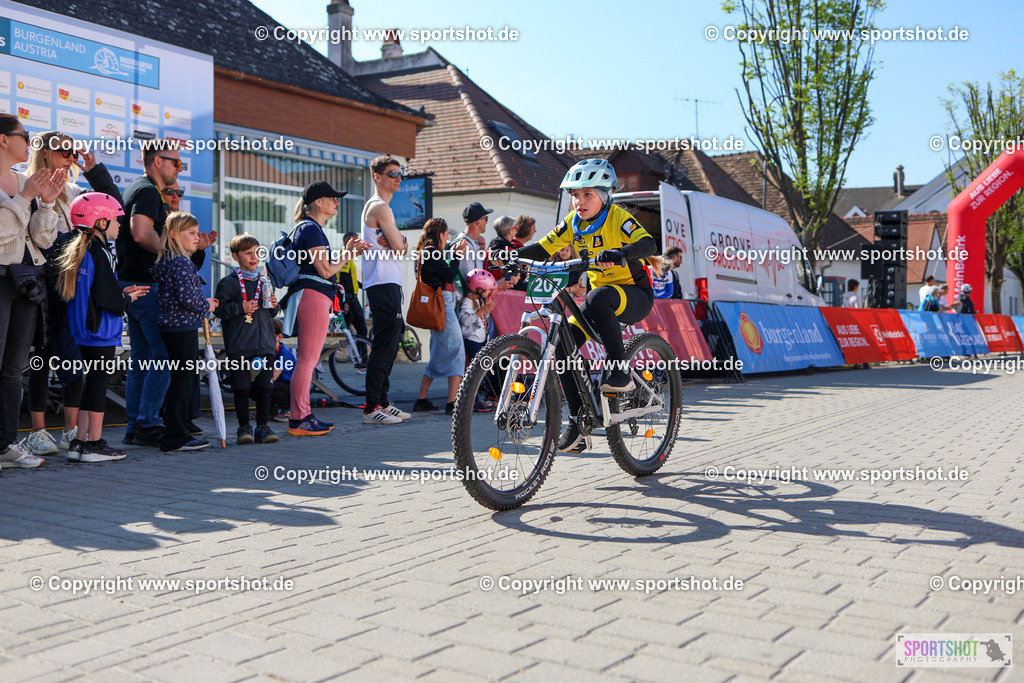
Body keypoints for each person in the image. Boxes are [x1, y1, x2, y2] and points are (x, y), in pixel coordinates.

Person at [515, 158, 664, 453]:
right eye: (575, 195)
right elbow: (543, 247)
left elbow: (649, 245)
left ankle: (620, 371)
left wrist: (621, 252)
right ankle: (579, 420)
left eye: (587, 195)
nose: (579, 201)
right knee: (562, 345)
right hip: (601, 299)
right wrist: (509, 251)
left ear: (604, 196)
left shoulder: (618, 217)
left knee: (596, 298)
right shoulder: (572, 222)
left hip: (633, 294)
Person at [24, 131, 121, 456]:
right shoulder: (28, 186)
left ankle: (71, 431)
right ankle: (38, 431)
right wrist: (45, 200)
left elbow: (111, 209)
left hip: (73, 288)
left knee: (71, 359)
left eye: (72, 151)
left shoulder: (75, 191)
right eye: (63, 151)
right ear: (45, 153)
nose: (69, 157)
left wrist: (94, 170)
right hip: (40, 283)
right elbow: (41, 241)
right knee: (41, 357)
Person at [117, 140, 215, 447]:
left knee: (143, 359)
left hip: (135, 285)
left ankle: (137, 426)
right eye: (176, 163)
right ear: (157, 161)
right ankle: (147, 423)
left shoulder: (143, 190)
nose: (179, 169)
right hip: (143, 287)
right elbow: (140, 232)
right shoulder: (146, 190)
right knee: (161, 358)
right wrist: (173, 252)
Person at [58, 193, 148, 461]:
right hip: (99, 331)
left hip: (83, 329)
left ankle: (80, 443)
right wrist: (127, 298)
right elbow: (108, 299)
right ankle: (95, 444)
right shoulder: (102, 254)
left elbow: (96, 291)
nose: (120, 225)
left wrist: (119, 292)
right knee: (98, 384)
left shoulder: (82, 249)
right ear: (100, 222)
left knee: (89, 383)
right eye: (115, 220)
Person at [0, 113, 64, 469]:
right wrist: (24, 198)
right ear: (3, 140)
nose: (29, 141)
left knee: (13, 369)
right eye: (23, 135)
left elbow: (42, 238)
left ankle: (6, 443)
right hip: (0, 278)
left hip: (27, 281)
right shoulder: (23, 187)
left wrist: (48, 204)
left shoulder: (25, 181)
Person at [283, 180, 369, 435]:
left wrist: (346, 252)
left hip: (312, 295)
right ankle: (299, 419)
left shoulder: (309, 228)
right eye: (333, 198)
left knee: (307, 360)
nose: (337, 202)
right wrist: (348, 255)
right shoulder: (310, 229)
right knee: (307, 361)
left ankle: (303, 414)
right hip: (313, 296)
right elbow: (326, 269)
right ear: (318, 202)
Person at [151, 211, 218, 452]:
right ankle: (175, 436)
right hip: (181, 326)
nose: (196, 238)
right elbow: (188, 298)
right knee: (182, 382)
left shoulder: (171, 260)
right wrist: (206, 305)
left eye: (197, 233)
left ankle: (177, 430)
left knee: (181, 379)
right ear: (173, 235)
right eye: (190, 233)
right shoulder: (180, 262)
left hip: (175, 326)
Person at [215, 234, 280, 445]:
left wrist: (275, 305)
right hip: (240, 345)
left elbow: (271, 313)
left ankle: (263, 427)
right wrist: (239, 308)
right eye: (247, 253)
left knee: (265, 387)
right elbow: (220, 311)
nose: (254, 257)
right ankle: (244, 428)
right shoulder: (228, 283)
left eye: (256, 252)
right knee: (241, 388)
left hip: (265, 344)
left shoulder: (265, 281)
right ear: (235, 256)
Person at [361, 156, 410, 425]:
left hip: (388, 282)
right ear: (377, 177)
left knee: (392, 342)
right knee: (384, 345)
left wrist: (398, 239)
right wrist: (398, 241)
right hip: (381, 282)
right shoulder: (379, 207)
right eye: (392, 173)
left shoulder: (384, 209)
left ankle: (382, 400)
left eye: (400, 174)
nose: (398, 178)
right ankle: (372, 407)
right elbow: (401, 248)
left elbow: (401, 244)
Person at [412, 218, 465, 415]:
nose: (448, 237)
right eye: (446, 234)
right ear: (441, 234)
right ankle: (452, 404)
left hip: (440, 305)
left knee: (437, 355)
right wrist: (457, 256)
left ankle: (422, 400)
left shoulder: (427, 252)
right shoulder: (431, 252)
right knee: (457, 352)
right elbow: (449, 275)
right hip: (442, 304)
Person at [458, 268, 497, 412]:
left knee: (482, 371)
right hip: (471, 340)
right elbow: (465, 320)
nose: (489, 293)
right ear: (479, 288)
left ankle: (478, 399)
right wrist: (481, 311)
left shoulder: (477, 300)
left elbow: (480, 320)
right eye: (487, 290)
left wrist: (485, 313)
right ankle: (473, 401)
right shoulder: (468, 302)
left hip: (480, 339)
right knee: (474, 372)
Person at [335, 231, 367, 339]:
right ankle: (362, 356)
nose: (360, 243)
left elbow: (351, 281)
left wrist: (366, 286)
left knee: (343, 331)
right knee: (362, 330)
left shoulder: (346, 257)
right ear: (347, 242)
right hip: (349, 299)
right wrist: (347, 302)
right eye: (356, 240)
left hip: (348, 298)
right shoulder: (344, 257)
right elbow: (344, 280)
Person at [455, 202, 492, 282]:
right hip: (463, 295)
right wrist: (496, 286)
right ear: (479, 222)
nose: (487, 222)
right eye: (486, 219)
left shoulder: (472, 243)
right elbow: (470, 281)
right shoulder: (465, 245)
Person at [270, 319, 296, 422]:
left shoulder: (284, 353)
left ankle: (289, 409)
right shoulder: (271, 351)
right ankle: (270, 409)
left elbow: (272, 377)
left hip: (288, 388)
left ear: (279, 337)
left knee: (266, 384)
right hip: (280, 384)